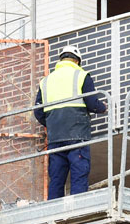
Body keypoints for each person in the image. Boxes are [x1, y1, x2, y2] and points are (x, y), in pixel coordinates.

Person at [33, 45, 107, 199]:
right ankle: (77, 209)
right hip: (77, 134)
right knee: (79, 172)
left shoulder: (46, 81)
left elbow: (38, 111)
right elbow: (92, 103)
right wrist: (103, 108)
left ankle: (54, 210)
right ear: (77, 61)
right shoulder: (81, 75)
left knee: (57, 177)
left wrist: (52, 123)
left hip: (55, 137)